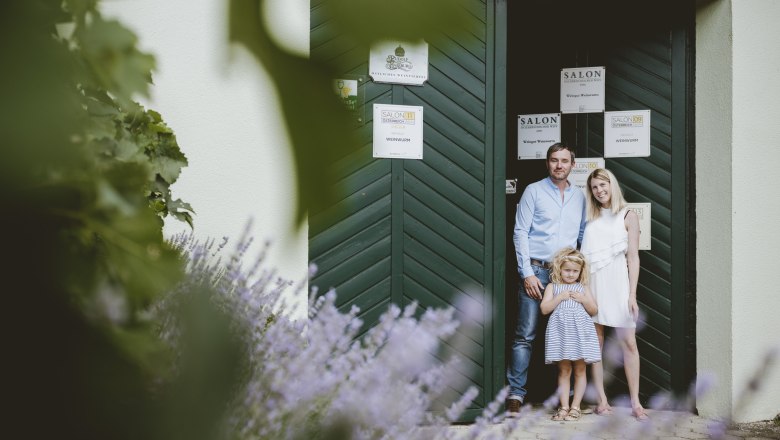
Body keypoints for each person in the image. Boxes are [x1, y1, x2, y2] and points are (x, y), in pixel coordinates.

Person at [506, 142, 587, 416]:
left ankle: (569, 398)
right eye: (554, 160)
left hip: (567, 275)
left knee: (570, 332)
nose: (559, 165)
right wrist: (526, 272)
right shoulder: (534, 191)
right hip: (538, 272)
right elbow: (520, 232)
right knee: (525, 334)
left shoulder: (580, 197)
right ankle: (516, 395)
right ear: (548, 163)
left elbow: (581, 236)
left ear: (572, 164)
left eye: (564, 160)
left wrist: (580, 275)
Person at [580, 168, 649, 421]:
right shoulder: (589, 216)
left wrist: (632, 294)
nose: (599, 191)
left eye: (603, 185)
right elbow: (583, 259)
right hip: (593, 284)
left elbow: (633, 256)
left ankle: (635, 402)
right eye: (594, 187)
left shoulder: (628, 215)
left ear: (612, 185)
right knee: (595, 344)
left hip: (619, 284)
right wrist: (585, 293)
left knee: (629, 343)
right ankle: (601, 400)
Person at [540, 247, 600, 421]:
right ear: (559, 268)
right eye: (567, 270)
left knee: (580, 369)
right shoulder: (553, 287)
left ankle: (576, 407)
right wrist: (560, 297)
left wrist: (583, 299)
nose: (571, 274)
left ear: (580, 271)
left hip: (580, 334)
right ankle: (564, 406)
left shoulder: (583, 288)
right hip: (561, 333)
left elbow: (594, 309)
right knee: (564, 370)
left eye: (575, 271)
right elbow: (544, 309)